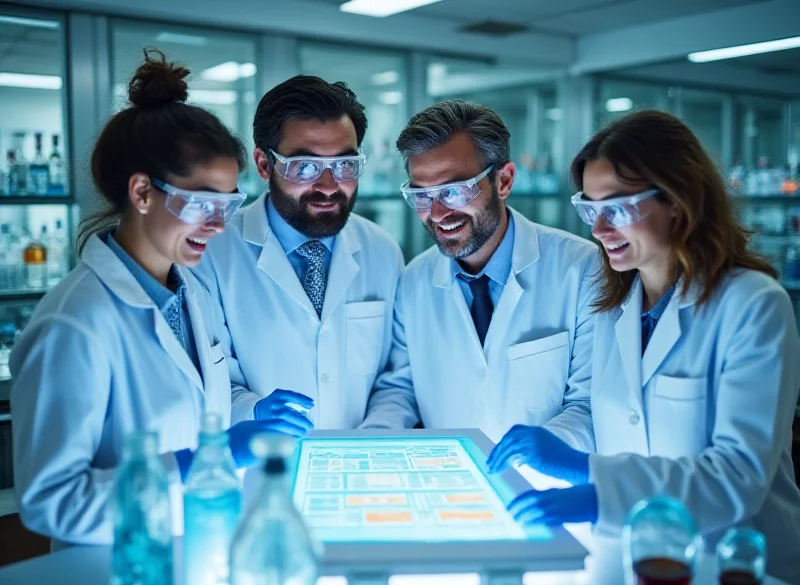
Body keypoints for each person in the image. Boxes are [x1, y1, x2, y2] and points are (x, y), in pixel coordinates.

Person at [10, 50, 311, 548]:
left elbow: (192, 404)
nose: (218, 225)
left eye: (229, 203)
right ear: (143, 192)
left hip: (200, 546)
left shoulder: (189, 291)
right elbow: (52, 501)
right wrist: (203, 463)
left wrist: (251, 412)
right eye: (202, 202)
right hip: (116, 567)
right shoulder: (75, 324)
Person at [488, 110, 800, 585]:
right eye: (590, 209)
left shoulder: (753, 305)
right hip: (629, 559)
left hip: (733, 565)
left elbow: (737, 476)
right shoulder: (613, 307)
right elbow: (616, 424)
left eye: (617, 207)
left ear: (677, 199)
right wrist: (562, 446)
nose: (599, 229)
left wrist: (596, 492)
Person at [361, 100, 601, 445]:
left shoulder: (581, 269)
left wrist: (535, 452)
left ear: (503, 181)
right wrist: (373, 438)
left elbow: (589, 402)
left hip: (543, 486)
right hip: (452, 487)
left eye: (454, 191)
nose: (437, 213)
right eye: (421, 195)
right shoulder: (415, 280)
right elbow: (402, 387)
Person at [192, 76, 404, 430]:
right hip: (261, 463)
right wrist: (254, 410)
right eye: (305, 166)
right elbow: (202, 377)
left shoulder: (382, 250)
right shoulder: (211, 252)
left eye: (345, 165)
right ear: (263, 164)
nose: (328, 185)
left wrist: (376, 433)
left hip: (363, 463)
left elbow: (398, 376)